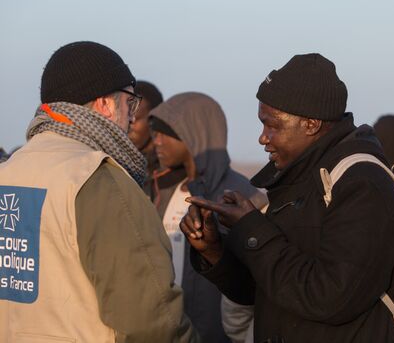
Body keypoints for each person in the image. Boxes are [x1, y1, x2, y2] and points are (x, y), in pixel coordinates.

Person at [181, 53, 394, 342]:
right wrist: (213, 249)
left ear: (311, 124)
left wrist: (253, 228)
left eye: (273, 126)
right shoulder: (301, 179)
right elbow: (269, 290)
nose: (262, 138)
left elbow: (330, 297)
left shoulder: (361, 184)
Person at [0, 41, 198, 342]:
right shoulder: (99, 179)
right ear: (105, 104)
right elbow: (150, 321)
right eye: (129, 103)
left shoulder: (10, 171)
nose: (132, 118)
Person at [149, 92, 267, 343]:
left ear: (193, 132)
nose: (155, 141)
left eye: (163, 133)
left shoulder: (242, 197)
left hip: (217, 333)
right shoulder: (163, 191)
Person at [128, 80, 163, 185]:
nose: (127, 127)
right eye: (125, 118)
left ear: (154, 119)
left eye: (134, 120)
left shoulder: (169, 170)